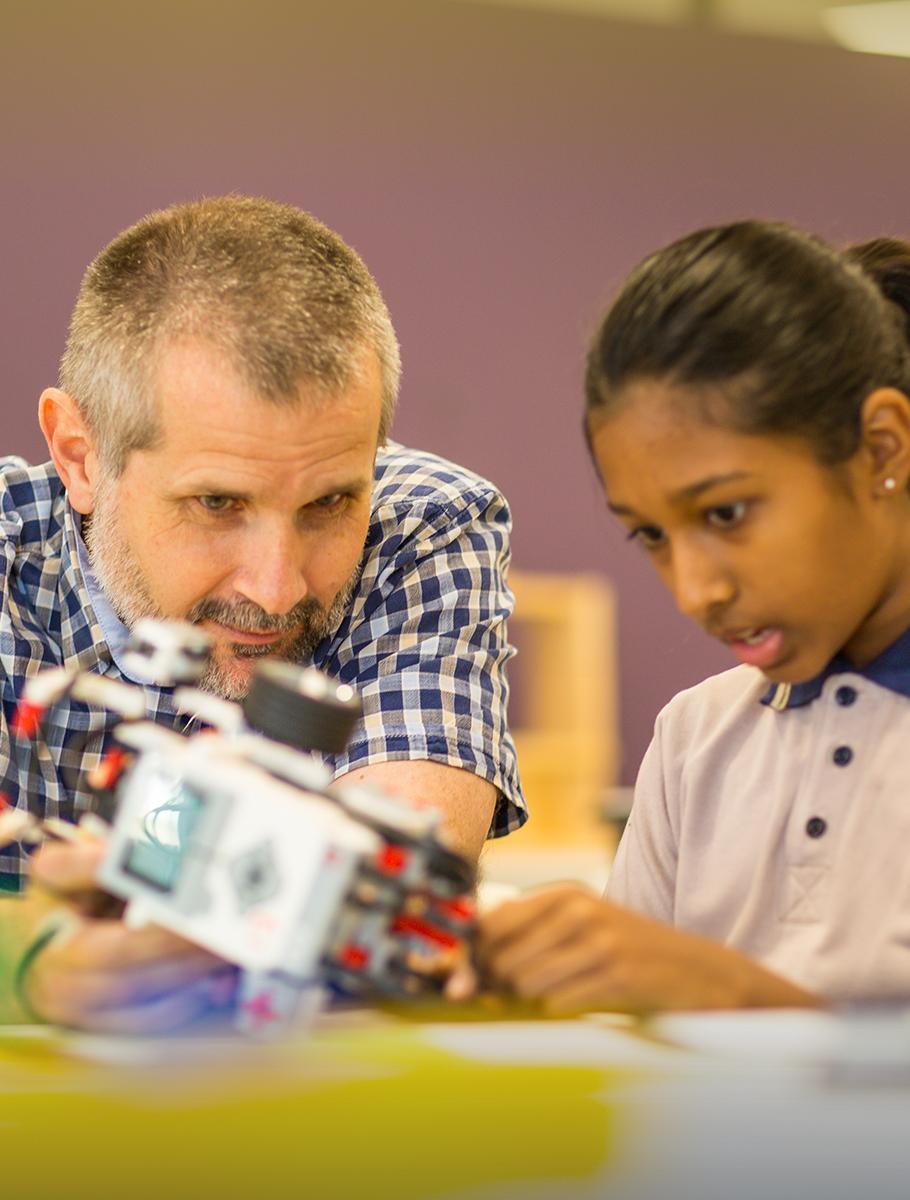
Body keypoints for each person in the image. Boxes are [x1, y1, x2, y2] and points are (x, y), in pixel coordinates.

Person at [0, 195, 525, 1030]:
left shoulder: (423, 525)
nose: (277, 590)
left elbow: (394, 887)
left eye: (329, 504)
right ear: (81, 455)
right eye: (216, 502)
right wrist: (28, 965)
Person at [466, 221, 910, 1013]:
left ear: (882, 448)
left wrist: (735, 995)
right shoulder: (695, 739)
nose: (694, 590)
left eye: (728, 512)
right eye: (651, 536)